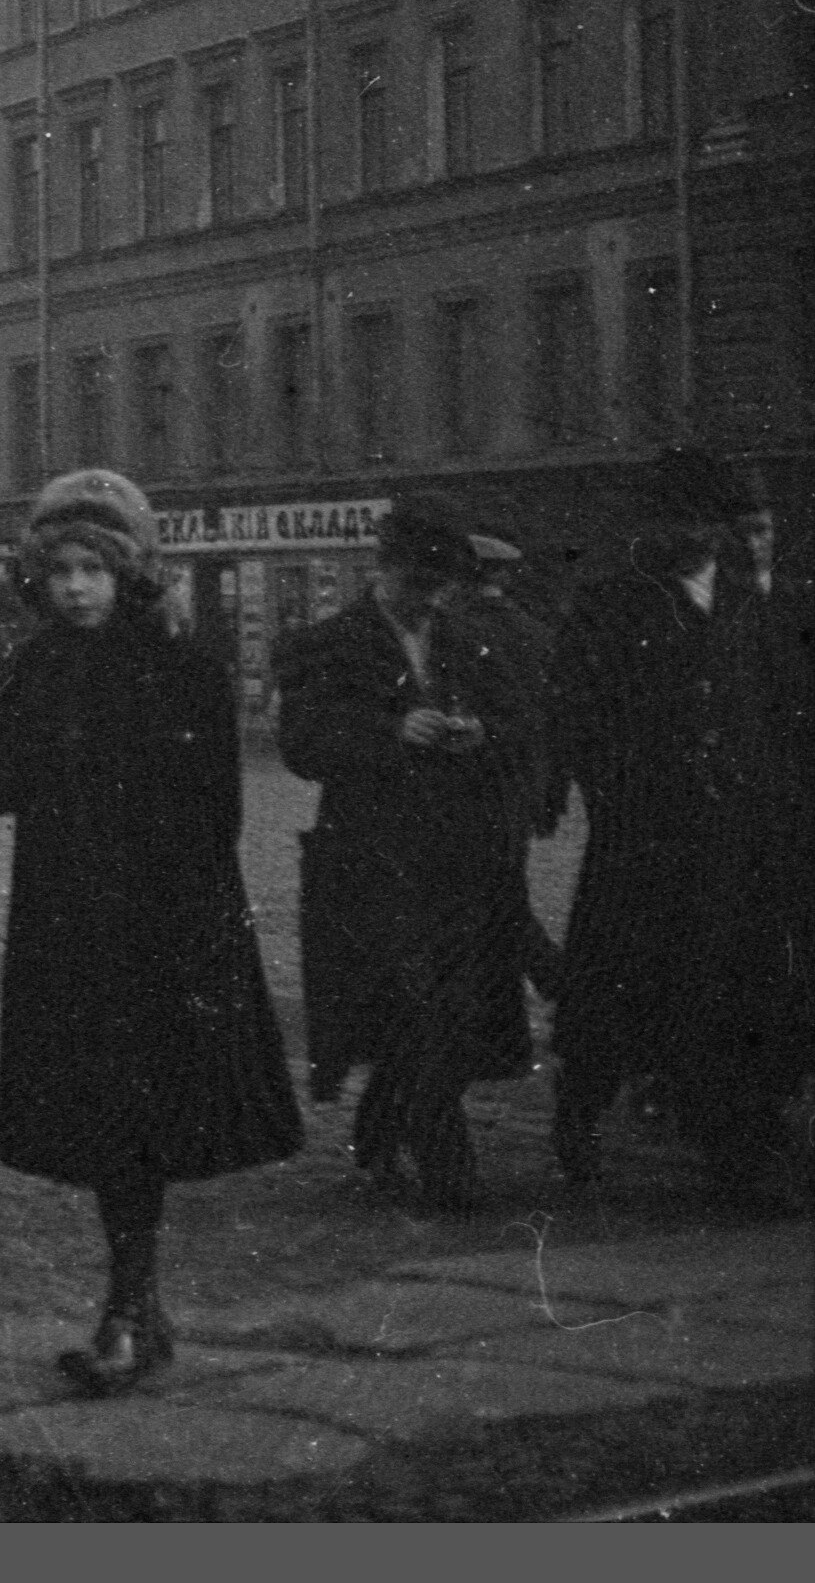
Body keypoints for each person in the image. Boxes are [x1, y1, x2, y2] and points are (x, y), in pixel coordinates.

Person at [0, 470, 300, 1396]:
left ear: (128, 575)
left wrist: (191, 927)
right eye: (59, 570)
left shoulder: (184, 671)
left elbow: (214, 813)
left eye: (92, 570)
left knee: (139, 1125)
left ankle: (127, 1308)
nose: (73, 587)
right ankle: (134, 1308)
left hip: (160, 922)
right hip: (68, 922)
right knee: (106, 1124)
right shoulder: (34, 666)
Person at [546, 450, 813, 1211]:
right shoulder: (610, 606)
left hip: (740, 843)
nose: (689, 537)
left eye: (702, 524)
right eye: (675, 523)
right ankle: (578, 1114)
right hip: (644, 842)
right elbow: (575, 712)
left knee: (733, 998)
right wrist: (615, 791)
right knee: (615, 994)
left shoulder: (749, 604)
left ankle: (735, 1154)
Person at [275, 494, 533, 1213]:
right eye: (416, 584)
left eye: (440, 586)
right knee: (415, 1004)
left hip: (458, 859)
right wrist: (391, 733)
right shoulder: (327, 643)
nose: (428, 600)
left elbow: (519, 725)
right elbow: (303, 742)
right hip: (370, 861)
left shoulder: (463, 640)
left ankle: (380, 1125)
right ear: (381, 571)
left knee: (444, 1009)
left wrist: (478, 731)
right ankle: (449, 1167)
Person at [467, 532, 567, 1000]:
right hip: (524, 781)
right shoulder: (535, 631)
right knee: (502, 887)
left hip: (472, 778)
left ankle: (558, 979)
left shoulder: (455, 629)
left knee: (494, 896)